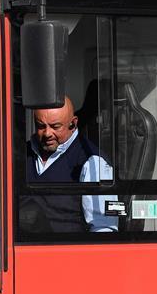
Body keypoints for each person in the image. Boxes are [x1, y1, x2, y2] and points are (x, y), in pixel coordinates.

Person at [20, 96, 118, 233]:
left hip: (64, 249)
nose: (47, 133)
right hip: (20, 246)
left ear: (73, 124)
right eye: (41, 126)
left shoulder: (92, 162)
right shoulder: (20, 154)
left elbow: (103, 229)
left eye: (55, 126)